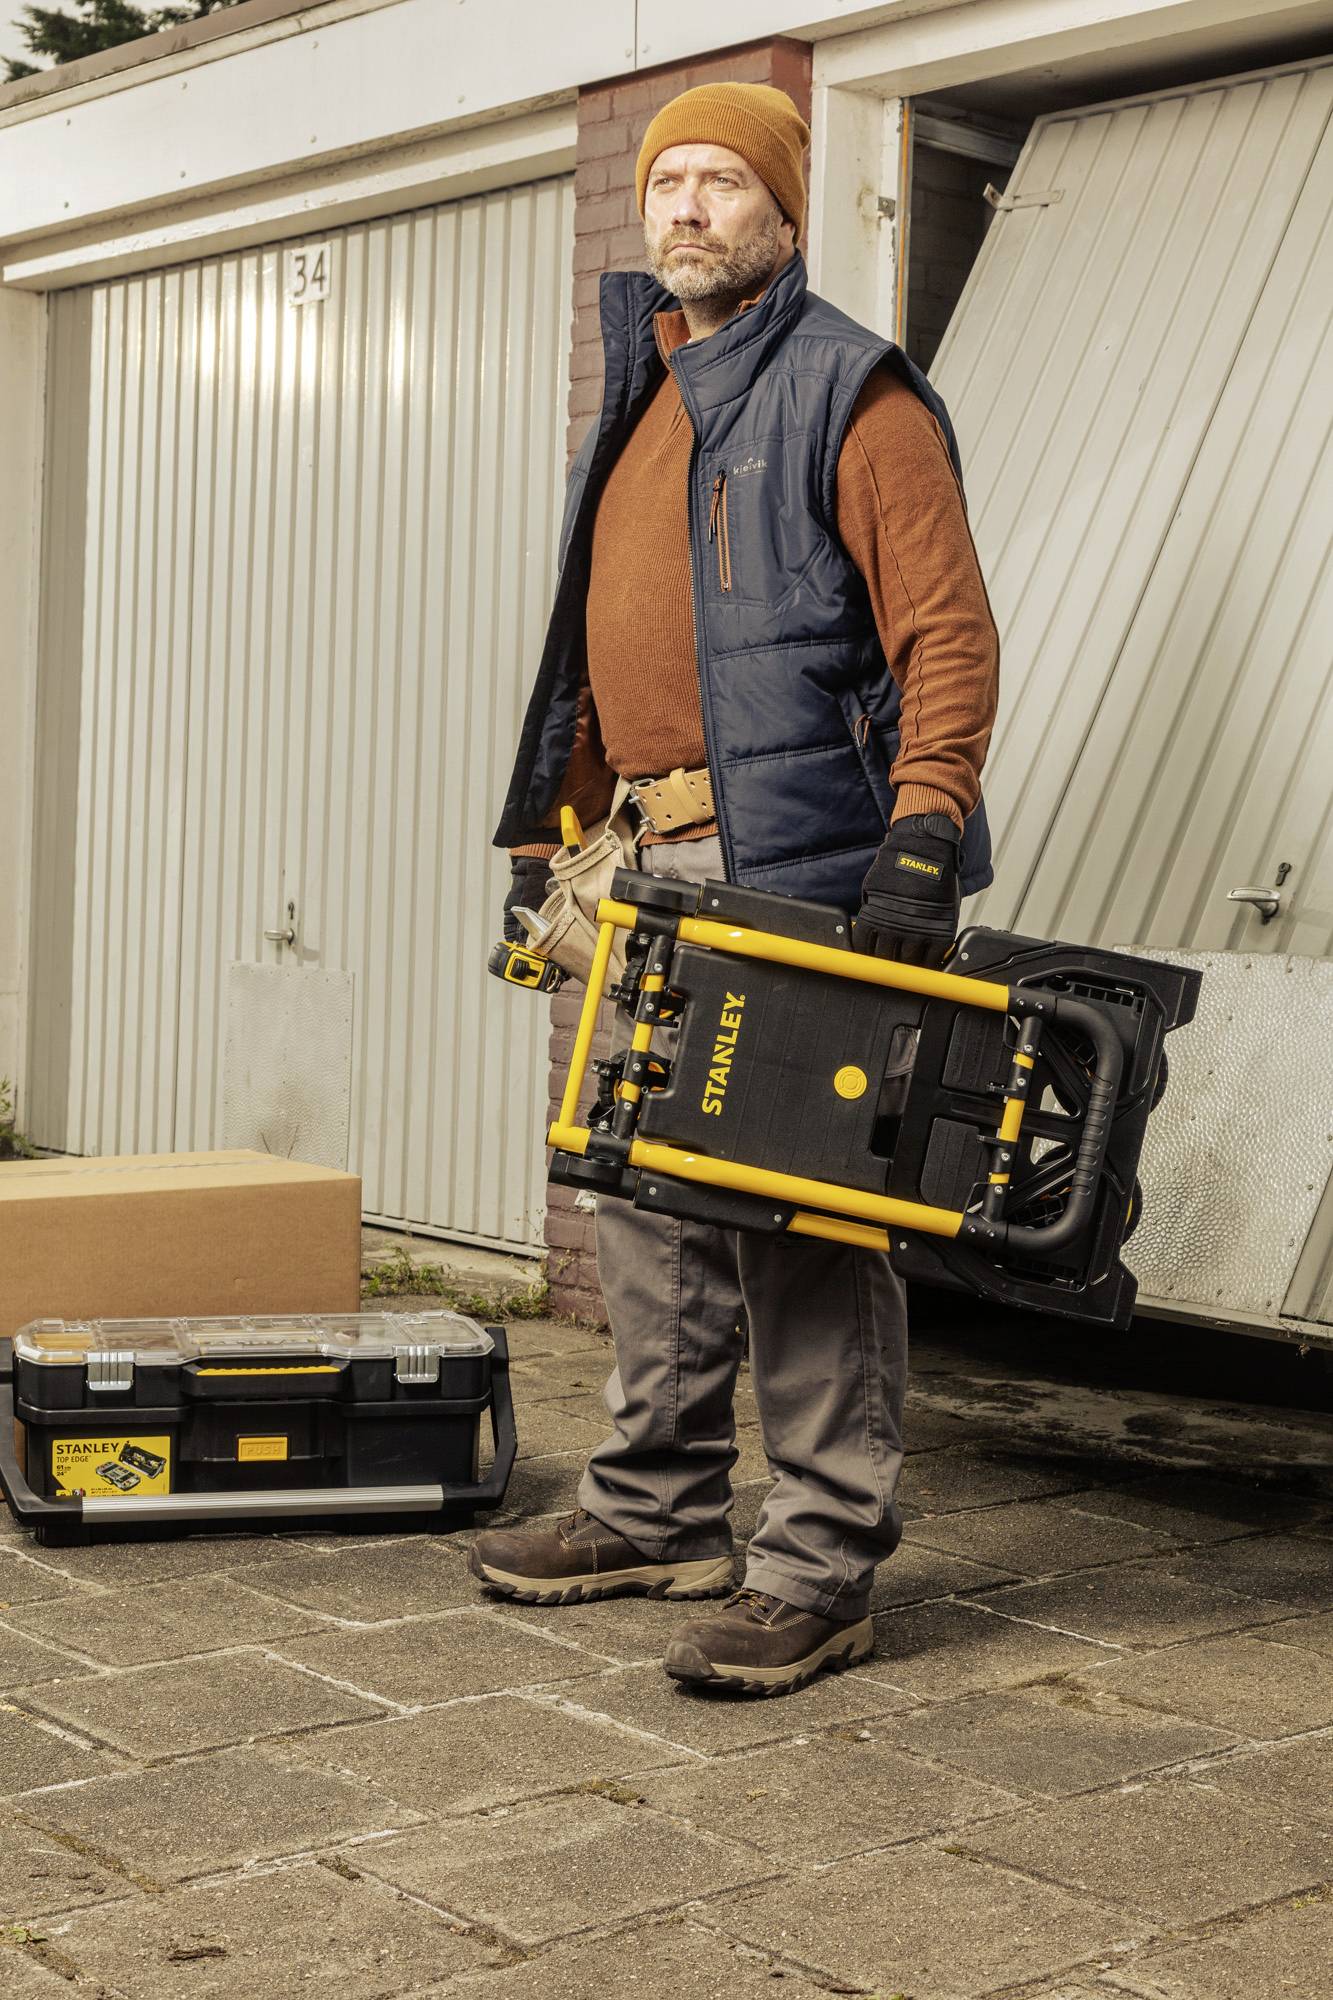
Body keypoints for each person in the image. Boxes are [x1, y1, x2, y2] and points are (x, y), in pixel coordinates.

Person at [473, 82, 1000, 1695]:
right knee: (636, 1201)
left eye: (723, 183)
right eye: (669, 182)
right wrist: (545, 846)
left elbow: (945, 634)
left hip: (797, 858)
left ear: (783, 211)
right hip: (636, 860)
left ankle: (822, 1564)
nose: (688, 208)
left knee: (803, 1228)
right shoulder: (641, 391)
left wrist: (920, 831)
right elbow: (592, 660)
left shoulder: (856, 392)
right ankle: (653, 1512)